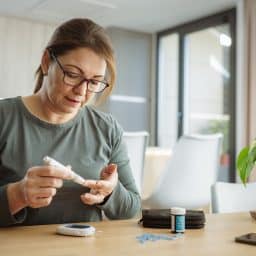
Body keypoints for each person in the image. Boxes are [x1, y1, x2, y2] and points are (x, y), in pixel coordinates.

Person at [0, 18, 141, 227]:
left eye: (94, 82)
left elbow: (134, 210)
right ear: (47, 61)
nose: (82, 92)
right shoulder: (4, 118)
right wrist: (16, 195)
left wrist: (110, 193)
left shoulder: (107, 129)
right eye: (73, 75)